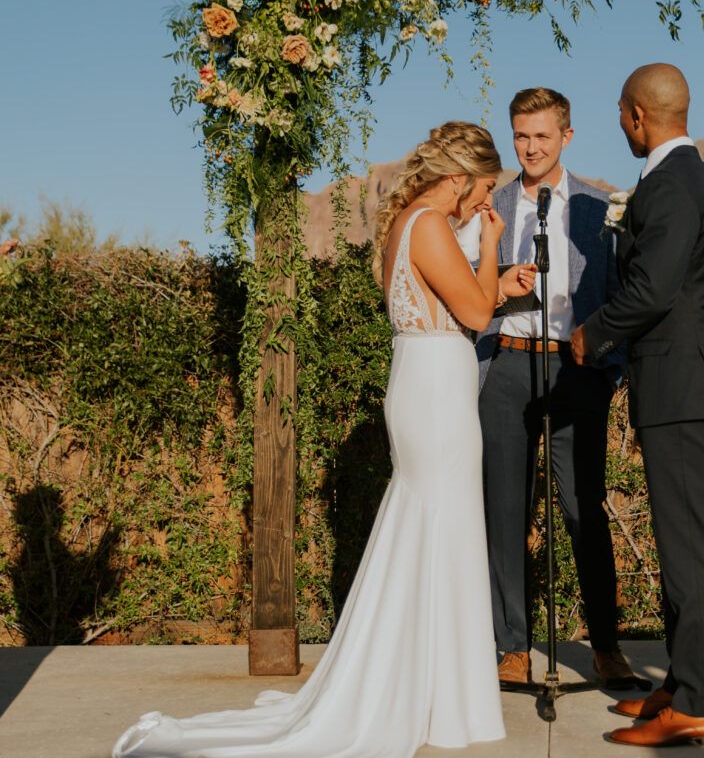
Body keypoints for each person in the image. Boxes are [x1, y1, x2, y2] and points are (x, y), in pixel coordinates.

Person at [113, 121, 535, 758]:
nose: (486, 202)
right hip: (437, 389)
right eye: (482, 190)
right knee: (440, 524)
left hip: (424, 378)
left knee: (429, 526)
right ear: (456, 179)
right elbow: (473, 316)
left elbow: (445, 304)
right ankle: (437, 697)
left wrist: (495, 285)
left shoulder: (411, 225)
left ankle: (429, 687)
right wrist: (491, 253)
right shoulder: (428, 224)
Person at [571, 64, 704, 748]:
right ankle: (682, 682)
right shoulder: (702, 180)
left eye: (620, 114)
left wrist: (592, 332)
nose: (620, 124)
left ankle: (701, 704)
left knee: (690, 550)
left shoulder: (670, 187)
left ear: (637, 115)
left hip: (682, 383)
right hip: (695, 378)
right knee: (687, 542)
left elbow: (651, 290)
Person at [466, 87, 637, 687]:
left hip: (576, 369)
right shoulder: (492, 203)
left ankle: (607, 647)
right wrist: (498, 288)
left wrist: (608, 371)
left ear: (566, 136)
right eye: (520, 136)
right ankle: (510, 647)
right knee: (505, 511)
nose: (530, 147)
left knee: (582, 510)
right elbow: (461, 287)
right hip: (506, 366)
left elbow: (623, 293)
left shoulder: (602, 204)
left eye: (541, 135)